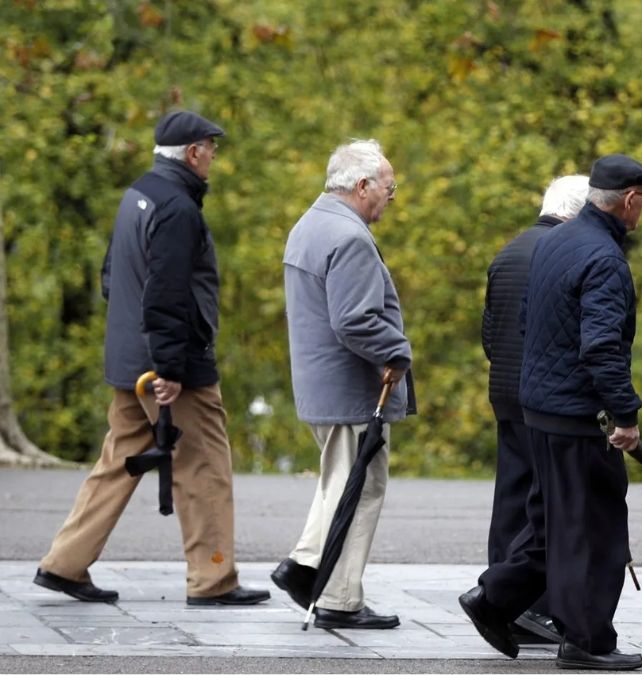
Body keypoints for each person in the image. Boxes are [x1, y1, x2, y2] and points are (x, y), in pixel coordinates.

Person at [35, 111, 269, 607]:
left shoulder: (137, 195)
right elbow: (166, 294)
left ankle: (64, 563)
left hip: (129, 358)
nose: (214, 157)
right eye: (211, 147)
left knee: (118, 461)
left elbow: (110, 276)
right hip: (169, 367)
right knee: (204, 466)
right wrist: (169, 368)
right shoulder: (179, 210)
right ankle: (213, 579)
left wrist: (138, 349)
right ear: (192, 153)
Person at [459, 154, 642, 670]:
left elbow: (527, 323)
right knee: (595, 528)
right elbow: (601, 348)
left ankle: (493, 600)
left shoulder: (553, 244)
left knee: (552, 524)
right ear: (631, 199)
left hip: (539, 410)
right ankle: (587, 642)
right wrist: (626, 416)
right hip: (576, 416)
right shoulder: (605, 260)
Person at [271, 139, 416, 630]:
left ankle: (305, 566)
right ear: (362, 186)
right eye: (389, 188)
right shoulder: (348, 237)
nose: (391, 198)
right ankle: (336, 595)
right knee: (361, 487)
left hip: (321, 384)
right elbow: (355, 321)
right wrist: (397, 351)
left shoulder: (309, 225)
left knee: (340, 481)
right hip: (351, 388)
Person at [481, 175, 590, 645]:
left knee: (510, 498)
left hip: (504, 390)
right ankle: (533, 608)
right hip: (543, 398)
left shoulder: (508, 251)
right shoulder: (562, 254)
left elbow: (490, 329)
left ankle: (499, 601)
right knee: (547, 505)